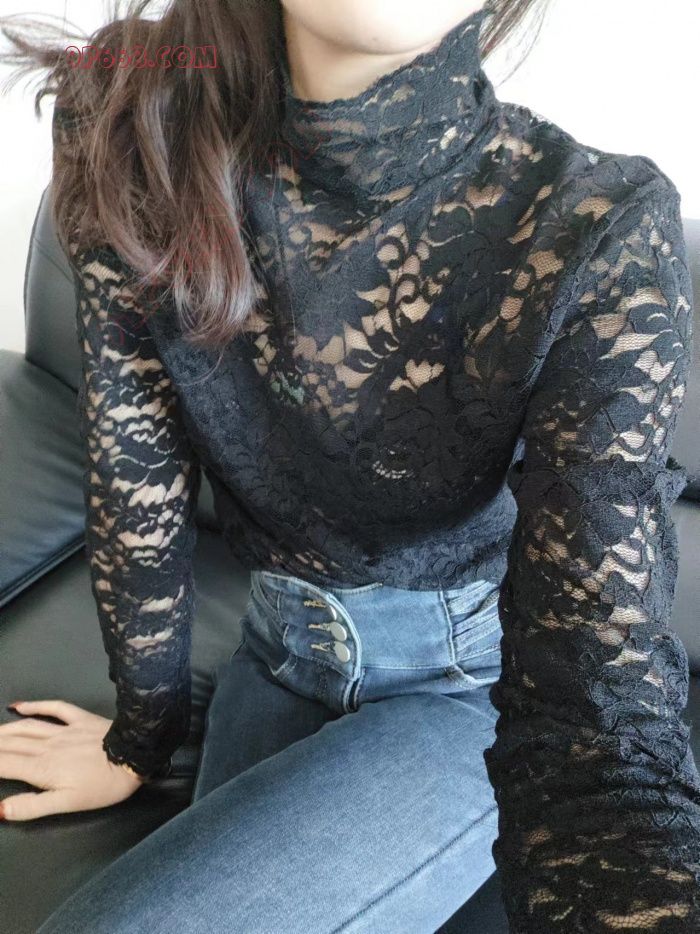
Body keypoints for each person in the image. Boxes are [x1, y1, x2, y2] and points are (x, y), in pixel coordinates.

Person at [1, 0, 699, 930]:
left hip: (474, 689)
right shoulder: (129, 108)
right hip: (274, 652)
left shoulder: (599, 224)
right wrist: (141, 737)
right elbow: (137, 467)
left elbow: (601, 690)